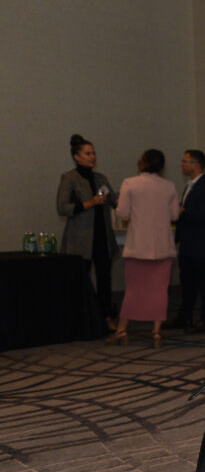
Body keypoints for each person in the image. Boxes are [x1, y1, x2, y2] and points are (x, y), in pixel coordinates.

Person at [109, 149, 179, 347]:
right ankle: (156, 332)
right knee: (160, 291)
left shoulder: (129, 183)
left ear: (142, 162)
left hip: (138, 246)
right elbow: (174, 215)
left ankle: (122, 330)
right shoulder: (169, 186)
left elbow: (122, 213)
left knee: (133, 290)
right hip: (163, 247)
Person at [56, 134, 118, 328]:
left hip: (102, 236)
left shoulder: (100, 178)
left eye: (94, 153)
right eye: (88, 154)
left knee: (105, 279)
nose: (93, 157)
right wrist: (89, 203)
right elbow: (62, 207)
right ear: (76, 157)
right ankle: (81, 319)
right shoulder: (70, 178)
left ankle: (106, 317)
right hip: (80, 239)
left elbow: (114, 201)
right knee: (80, 280)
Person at [172, 149, 205, 332]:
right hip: (189, 244)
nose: (181, 164)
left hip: (202, 245)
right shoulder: (189, 186)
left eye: (185, 161)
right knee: (187, 284)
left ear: (195, 164)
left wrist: (184, 212)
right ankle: (185, 317)